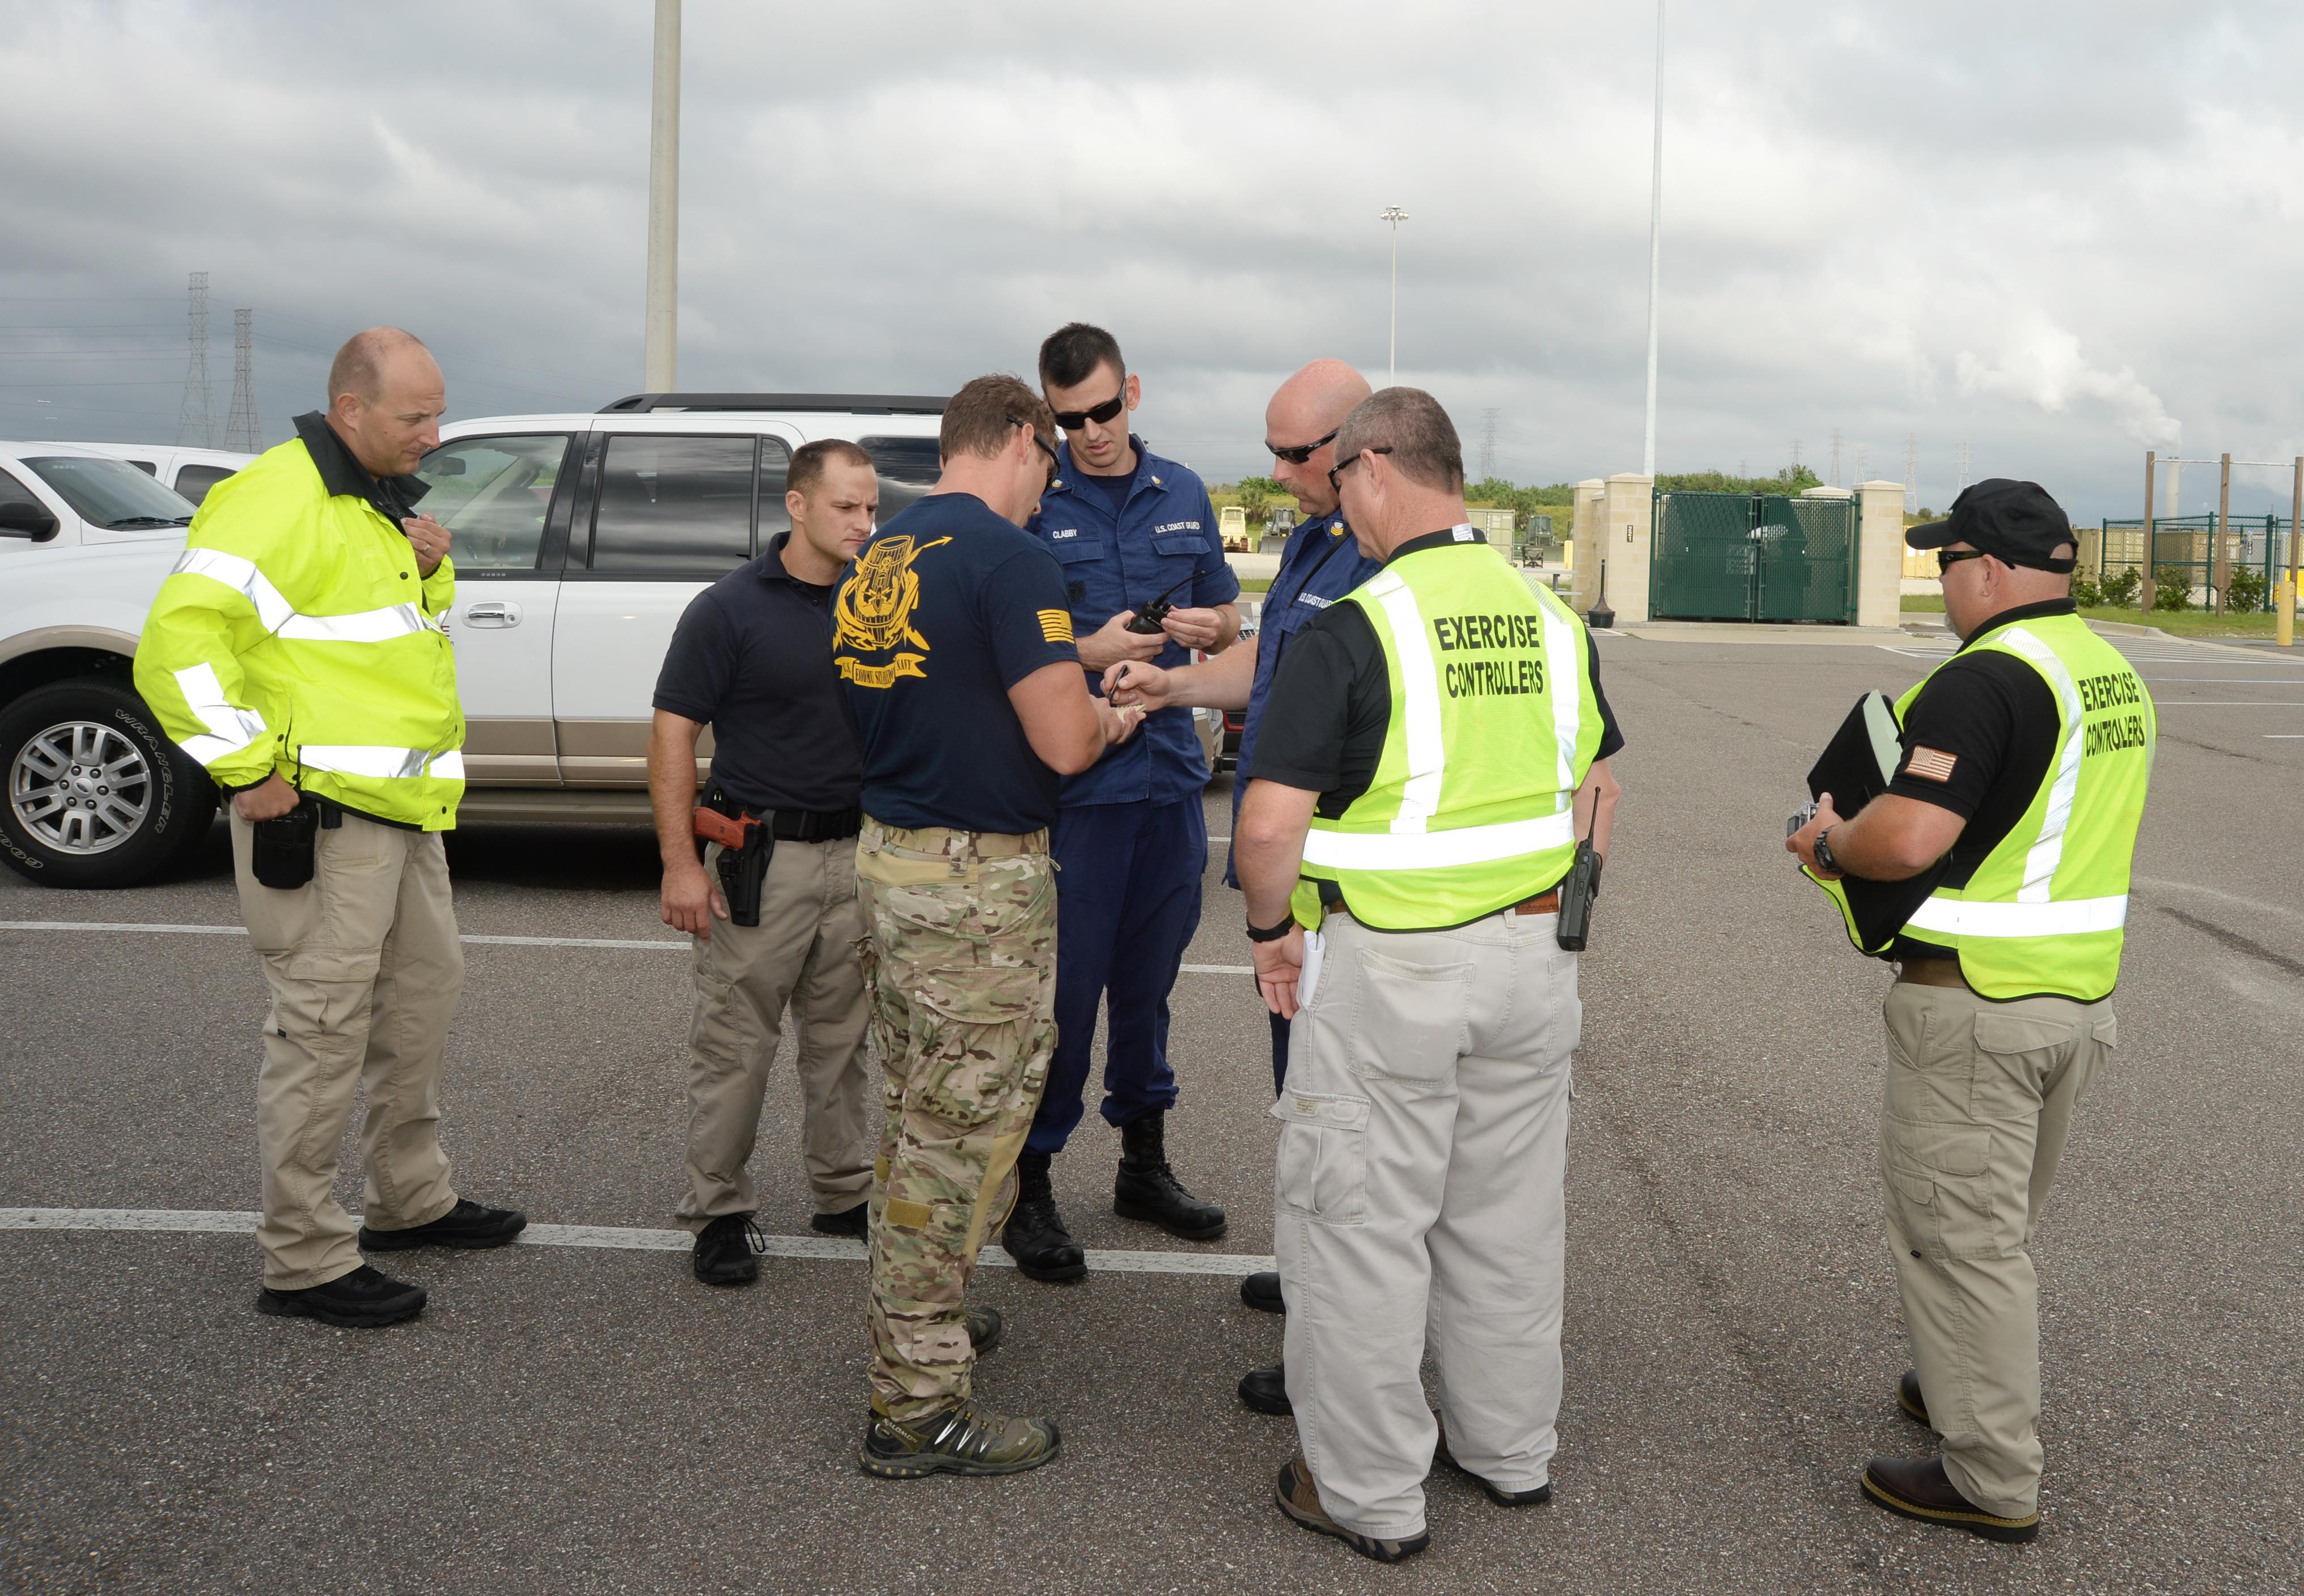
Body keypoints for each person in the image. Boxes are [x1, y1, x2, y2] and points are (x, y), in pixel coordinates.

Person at [1234, 387, 1624, 1563]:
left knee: (1358, 1226)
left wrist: (1271, 930)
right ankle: (1509, 1451)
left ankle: (1366, 1492)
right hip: (1533, 959)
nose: (1340, 508)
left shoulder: (1359, 625)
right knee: (1506, 1222)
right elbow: (1598, 788)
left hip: (1394, 969)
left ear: (1371, 471)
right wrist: (1567, 906)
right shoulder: (1549, 618)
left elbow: (1267, 824)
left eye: (1338, 482)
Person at [133, 327, 525, 1330]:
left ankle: (409, 1199)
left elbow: (387, 635)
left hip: (403, 815)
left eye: (439, 412)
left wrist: (431, 565)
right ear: (351, 410)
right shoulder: (277, 495)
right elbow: (176, 641)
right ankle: (303, 1258)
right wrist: (248, 770)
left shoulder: (377, 500)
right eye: (415, 417)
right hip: (320, 817)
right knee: (320, 1031)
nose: (434, 436)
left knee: (418, 1008)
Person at [1789, 479, 2154, 1544]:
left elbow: (1903, 841)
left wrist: (1826, 841)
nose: (1940, 585)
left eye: (1945, 564)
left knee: (1960, 1241)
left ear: (1986, 569)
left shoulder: (1982, 679)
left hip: (1977, 1010)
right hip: (2073, 1003)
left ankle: (1991, 1477)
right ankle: (1956, 1375)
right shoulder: (2106, 668)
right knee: (1992, 1228)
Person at [834, 374, 1130, 1479]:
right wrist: (1106, 714)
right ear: (1020, 438)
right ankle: (914, 1407)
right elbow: (1061, 743)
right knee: (960, 1134)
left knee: (916, 1110)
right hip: (973, 888)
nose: (1049, 481)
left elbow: (934, 694)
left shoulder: (884, 550)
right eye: (1048, 459)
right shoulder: (1013, 560)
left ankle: (924, 1317)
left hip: (895, 858)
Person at [1102, 357, 1382, 1411]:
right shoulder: (1315, 545)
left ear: (1360, 450)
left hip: (1342, 892)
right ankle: (1315, 1274)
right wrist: (1173, 684)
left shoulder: (1386, 567)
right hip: (1299, 889)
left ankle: (1338, 1343)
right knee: (1305, 1100)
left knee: (1343, 1118)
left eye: (1292, 453)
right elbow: (1269, 663)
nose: (1275, 471)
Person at [997, 322, 1240, 1283]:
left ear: (1130, 391)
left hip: (1171, 783)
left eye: (1104, 410)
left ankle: (1143, 1163)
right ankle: (1035, 1183)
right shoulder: (1034, 503)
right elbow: (1016, 641)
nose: (1090, 432)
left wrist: (1214, 624)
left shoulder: (1180, 490)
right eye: (1068, 420)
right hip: (1077, 795)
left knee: (1148, 992)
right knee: (1064, 1001)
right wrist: (1091, 655)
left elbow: (1225, 619)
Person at [649, 439, 882, 1285]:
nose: (863, 523)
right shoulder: (729, 608)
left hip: (859, 856)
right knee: (736, 1045)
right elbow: (674, 734)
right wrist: (681, 863)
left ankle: (843, 1191)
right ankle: (718, 1211)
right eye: (846, 507)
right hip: (763, 859)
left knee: (844, 1041)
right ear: (797, 505)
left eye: (870, 508)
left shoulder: (880, 604)